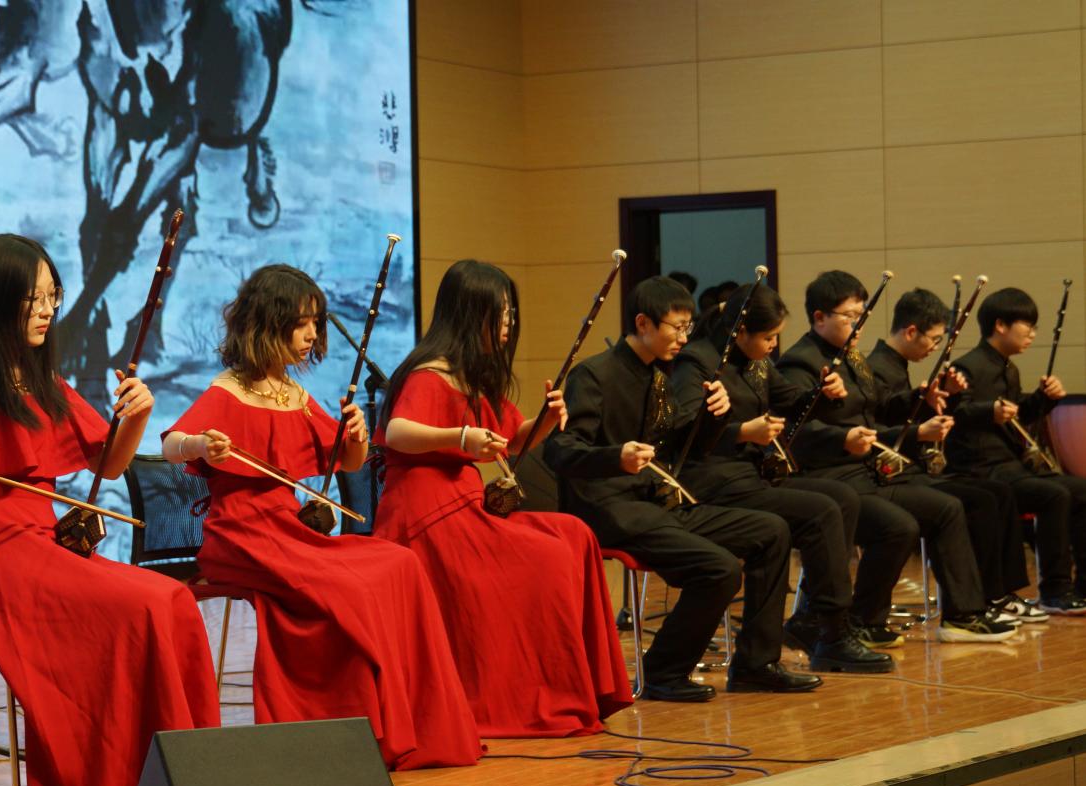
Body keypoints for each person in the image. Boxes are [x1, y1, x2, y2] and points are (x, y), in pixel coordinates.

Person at [0, 234, 220, 786]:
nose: (48, 310)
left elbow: (110, 463)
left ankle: (183, 782)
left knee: (171, 598)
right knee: (141, 605)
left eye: (53, 296)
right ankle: (113, 785)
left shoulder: (39, 379)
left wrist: (137, 416)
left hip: (40, 547)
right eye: (35, 298)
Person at [163, 264, 482, 769]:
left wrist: (356, 434)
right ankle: (353, 731)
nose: (313, 334)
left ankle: (413, 722)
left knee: (398, 564)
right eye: (301, 323)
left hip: (287, 531)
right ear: (267, 323)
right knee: (349, 588)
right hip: (240, 535)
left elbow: (348, 463)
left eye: (316, 322)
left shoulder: (293, 394)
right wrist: (200, 444)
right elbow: (171, 445)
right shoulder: (229, 389)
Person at [373, 259, 632, 736]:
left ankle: (577, 687)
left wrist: (548, 420)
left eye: (512, 312)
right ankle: (530, 693)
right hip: (426, 516)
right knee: (547, 556)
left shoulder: (473, 376)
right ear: (471, 314)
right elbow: (398, 432)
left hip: (466, 507)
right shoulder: (429, 373)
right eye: (502, 313)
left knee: (574, 535)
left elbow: (512, 441)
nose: (510, 323)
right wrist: (460, 437)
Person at [545, 275, 823, 702]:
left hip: (657, 501)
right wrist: (615, 457)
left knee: (771, 531)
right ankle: (663, 671)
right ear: (643, 323)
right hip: (610, 507)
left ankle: (756, 664)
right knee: (720, 568)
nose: (684, 338)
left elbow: (681, 448)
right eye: (676, 327)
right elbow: (560, 449)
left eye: (687, 327)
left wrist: (713, 417)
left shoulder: (659, 375)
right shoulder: (595, 374)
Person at [777, 271, 1014, 645]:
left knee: (946, 507)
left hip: (866, 472)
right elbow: (795, 431)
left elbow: (879, 410)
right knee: (900, 525)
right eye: (850, 316)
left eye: (861, 315)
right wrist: (844, 439)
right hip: (831, 478)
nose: (858, 324)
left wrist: (920, 397)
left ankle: (961, 615)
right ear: (819, 317)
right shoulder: (799, 364)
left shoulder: (852, 357)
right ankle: (863, 619)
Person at [671, 284, 891, 673]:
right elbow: (684, 434)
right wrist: (743, 432)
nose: (774, 345)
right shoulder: (696, 362)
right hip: (711, 480)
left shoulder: (756, 361)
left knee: (841, 498)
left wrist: (823, 394)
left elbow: (791, 402)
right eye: (768, 337)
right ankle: (832, 632)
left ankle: (812, 619)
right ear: (741, 331)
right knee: (819, 510)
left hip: (751, 476)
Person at [867, 288, 1046, 624]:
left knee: (996, 494)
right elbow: (882, 428)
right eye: (934, 340)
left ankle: (998, 593)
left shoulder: (894, 365)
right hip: (889, 476)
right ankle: (978, 602)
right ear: (911, 331)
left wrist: (944, 397)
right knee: (977, 500)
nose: (936, 347)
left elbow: (906, 417)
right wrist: (924, 425)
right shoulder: (876, 368)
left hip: (913, 471)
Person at [946, 286, 1086, 615]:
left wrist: (1044, 398)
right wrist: (989, 411)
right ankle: (1054, 590)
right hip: (981, 469)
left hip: (1012, 467)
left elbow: (1018, 417)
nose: (1033, 334)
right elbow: (955, 413)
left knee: (1081, 490)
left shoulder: (1009, 368)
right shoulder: (966, 367)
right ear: (1000, 325)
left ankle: (1083, 585)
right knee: (1054, 495)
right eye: (1028, 326)